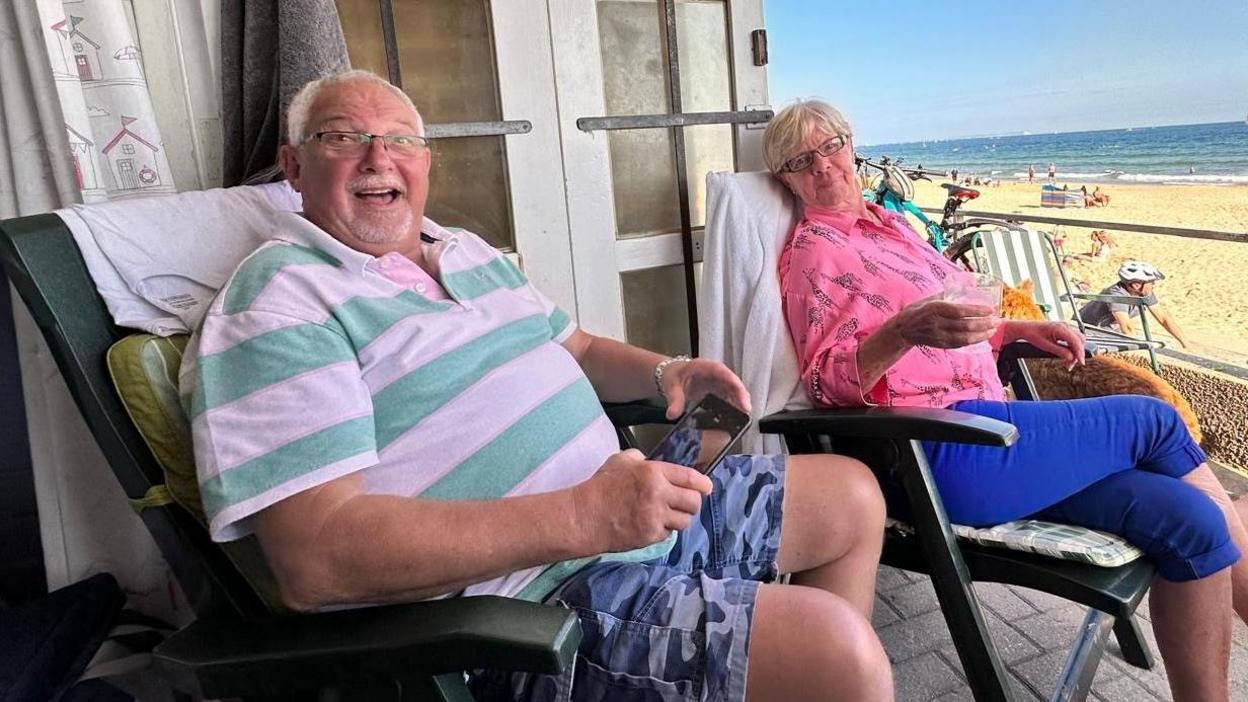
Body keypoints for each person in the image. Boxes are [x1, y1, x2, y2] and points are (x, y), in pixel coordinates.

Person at [181, 72, 893, 701]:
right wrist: (586, 517)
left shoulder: (464, 251)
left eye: (400, 140)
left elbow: (577, 348)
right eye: (343, 137)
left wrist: (667, 370)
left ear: (425, 164)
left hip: (629, 510)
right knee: (837, 653)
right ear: (292, 166)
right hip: (530, 608)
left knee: (852, 498)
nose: (379, 158)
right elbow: (317, 558)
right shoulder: (279, 302)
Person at [764, 98, 1248, 702]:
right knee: (1153, 420)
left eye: (831, 145)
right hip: (947, 448)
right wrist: (898, 333)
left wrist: (1013, 332)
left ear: (851, 142)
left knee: (1195, 522)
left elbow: (952, 327)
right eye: (801, 159)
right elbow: (824, 382)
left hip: (1001, 432)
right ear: (785, 177)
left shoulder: (891, 228)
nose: (823, 165)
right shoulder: (815, 252)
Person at [1079, 261, 1191, 349]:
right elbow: (1126, 327)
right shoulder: (1117, 295)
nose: (1153, 285)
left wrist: (1185, 343)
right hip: (1089, 331)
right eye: (1151, 282)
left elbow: (1163, 318)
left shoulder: (1144, 293)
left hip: (1109, 329)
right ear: (1137, 285)